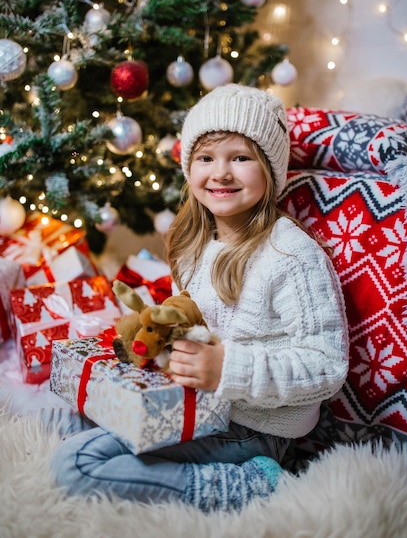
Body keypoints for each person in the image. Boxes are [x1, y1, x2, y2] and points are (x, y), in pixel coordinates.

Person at [51, 84, 349, 513]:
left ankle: (249, 484)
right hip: (196, 407)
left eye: (241, 158)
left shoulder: (291, 255)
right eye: (206, 157)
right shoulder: (194, 243)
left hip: (254, 428)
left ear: (271, 169)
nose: (221, 173)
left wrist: (227, 368)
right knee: (77, 415)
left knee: (75, 464)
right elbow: (187, 325)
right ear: (189, 167)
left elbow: (327, 364)